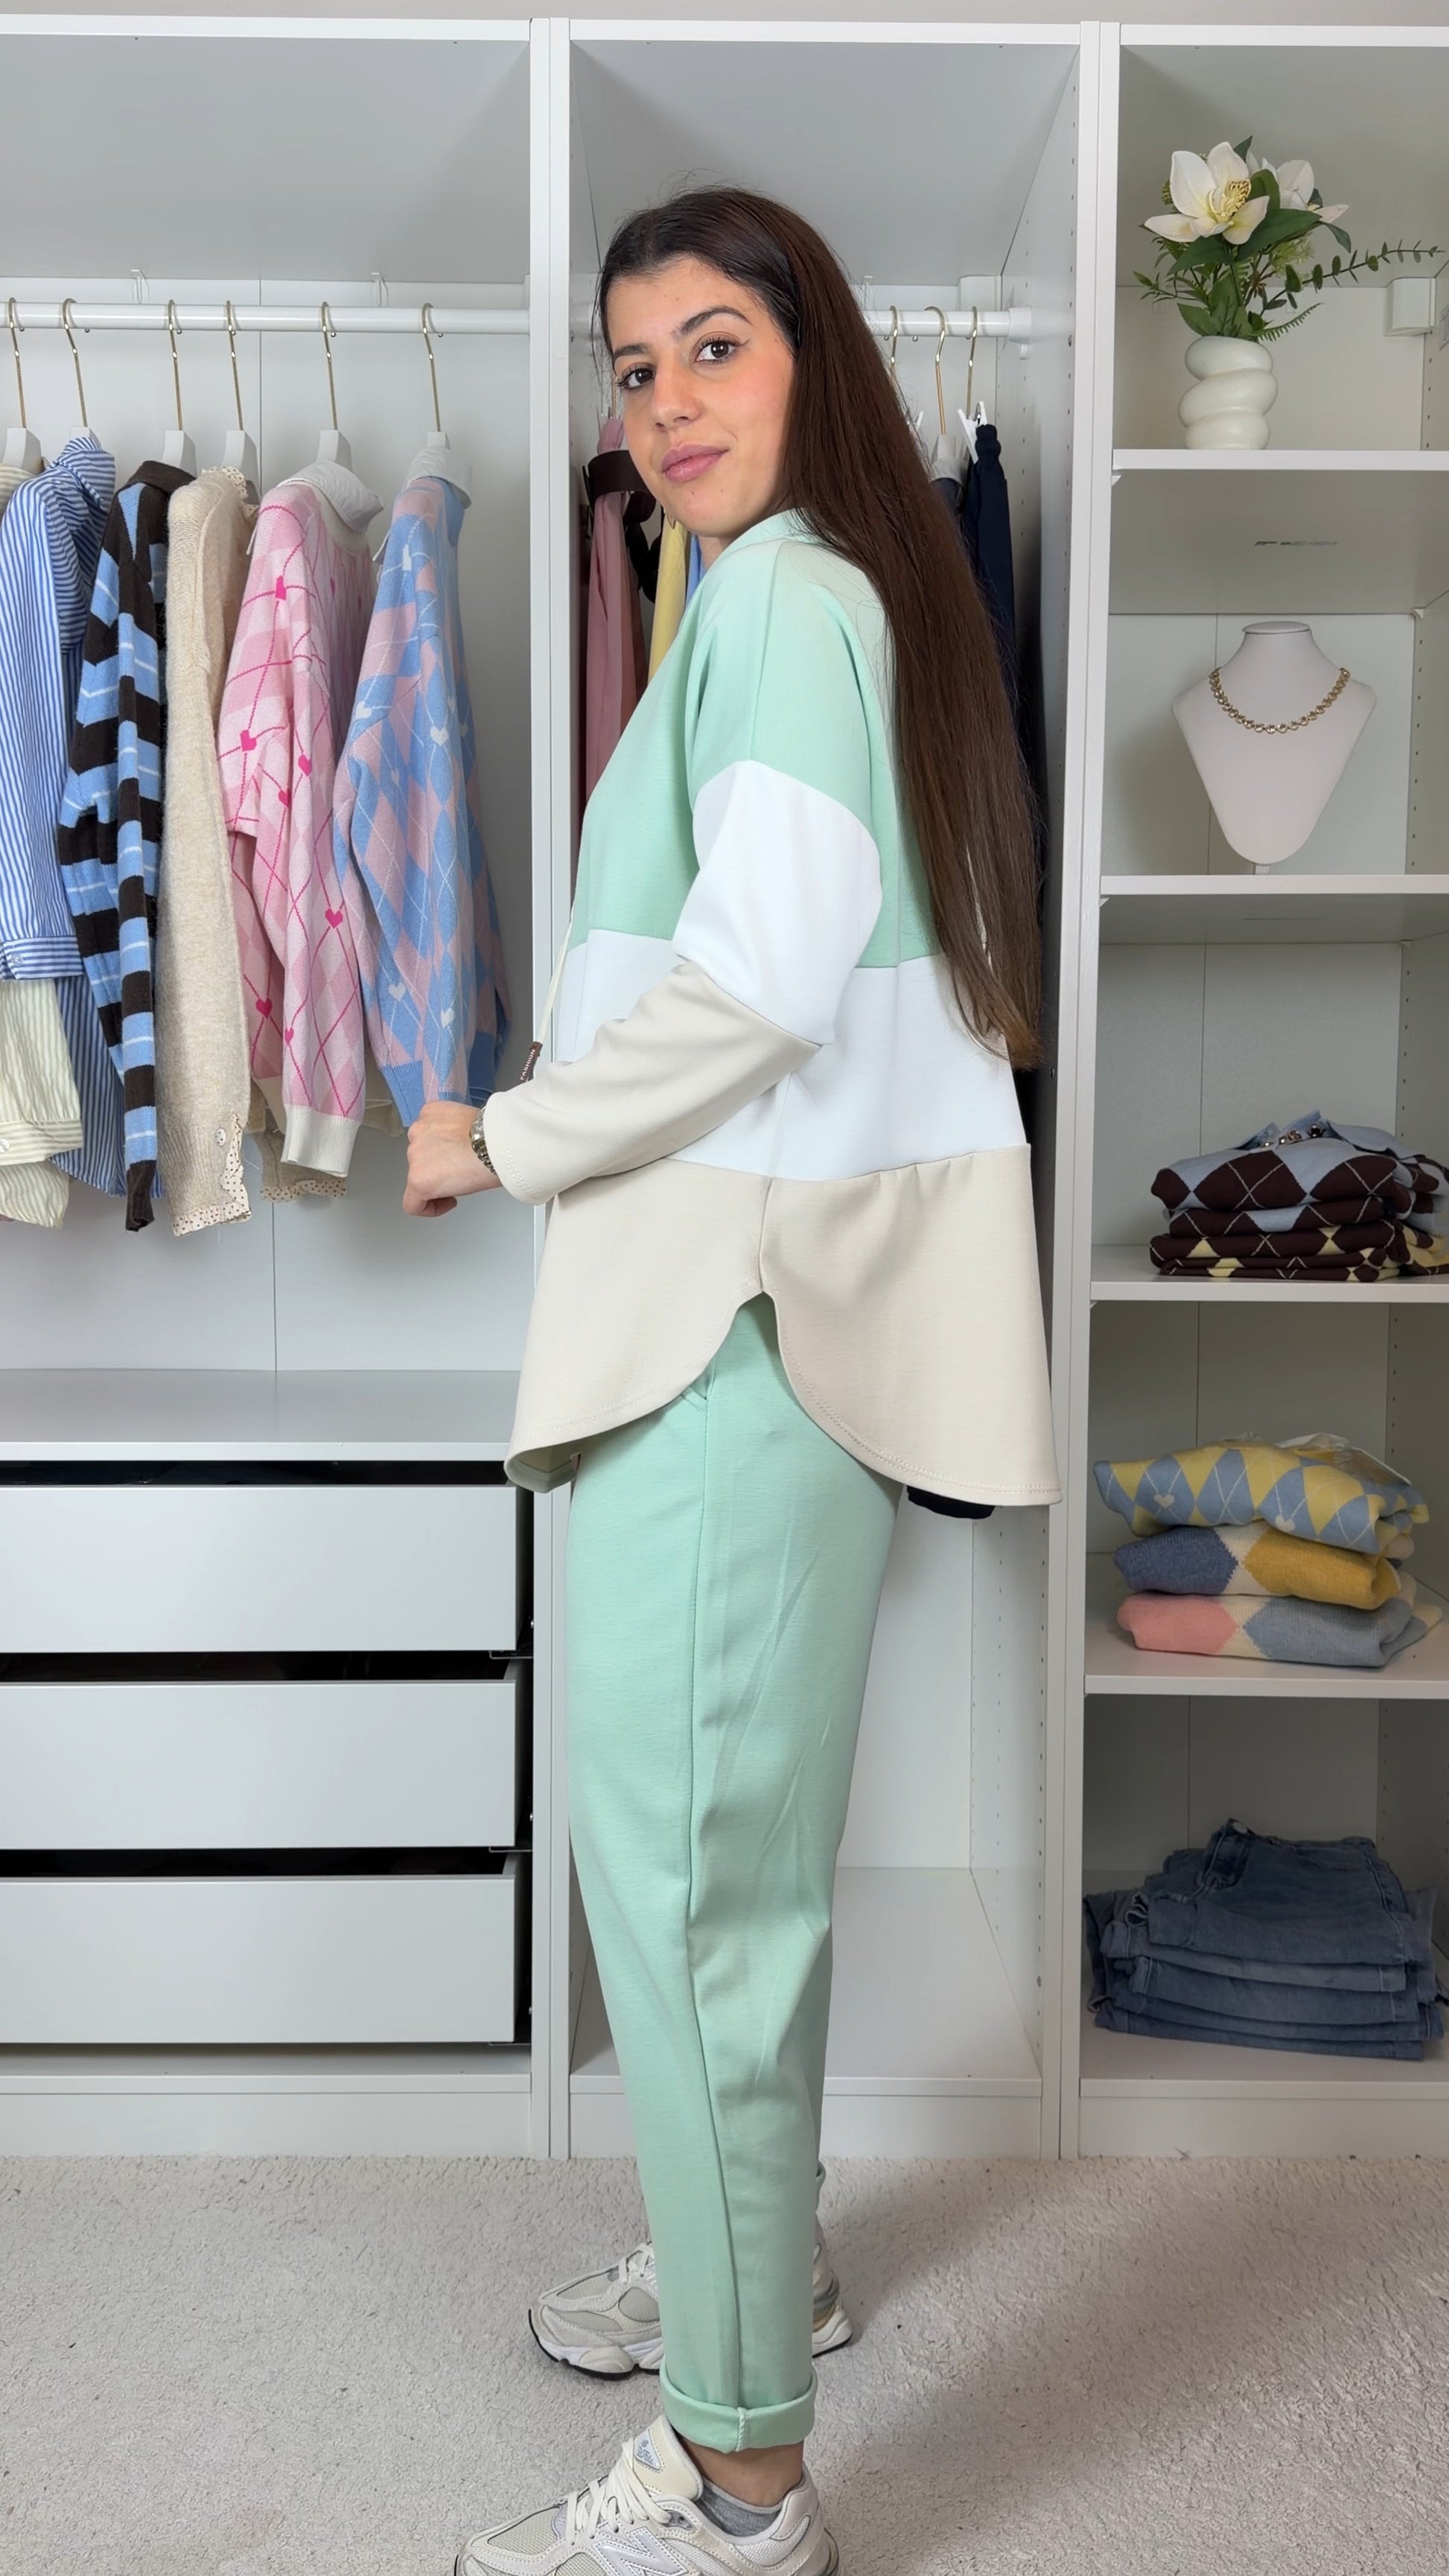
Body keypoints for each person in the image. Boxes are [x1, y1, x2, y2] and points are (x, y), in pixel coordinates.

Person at [404, 185, 1059, 2576]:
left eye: (711, 346)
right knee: (731, 1874)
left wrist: (510, 1133)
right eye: (631, 367)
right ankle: (749, 2269)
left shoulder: (783, 596)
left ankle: (736, 2477)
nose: (664, 402)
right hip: (764, 1321)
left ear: (814, 361)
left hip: (734, 1327)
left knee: (682, 1895)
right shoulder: (812, 600)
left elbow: (762, 978)